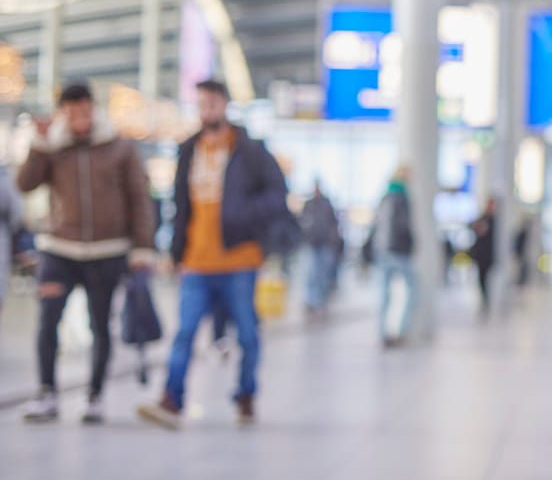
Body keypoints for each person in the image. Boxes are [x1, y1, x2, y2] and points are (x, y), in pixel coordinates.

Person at [139, 79, 288, 429]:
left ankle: (246, 396)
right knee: (185, 332)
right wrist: (175, 252)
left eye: (212, 104)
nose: (206, 111)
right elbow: (180, 206)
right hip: (196, 260)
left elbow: (277, 196)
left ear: (224, 105)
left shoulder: (249, 150)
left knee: (247, 333)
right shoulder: (188, 150)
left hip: (240, 259)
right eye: (201, 104)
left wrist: (243, 215)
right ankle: (171, 399)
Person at [16, 82, 155, 424]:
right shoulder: (53, 145)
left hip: (107, 251)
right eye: (72, 112)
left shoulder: (119, 146)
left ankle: (95, 395)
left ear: (93, 108)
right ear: (63, 112)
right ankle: (47, 393)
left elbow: (139, 198)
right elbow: (25, 184)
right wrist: (39, 143)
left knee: (100, 324)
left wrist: (142, 247)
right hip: (58, 249)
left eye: (84, 110)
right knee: (48, 320)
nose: (79, 118)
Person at [371, 168, 418, 348]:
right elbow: (403, 226)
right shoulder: (402, 198)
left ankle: (383, 333)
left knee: (384, 294)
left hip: (382, 251)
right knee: (413, 289)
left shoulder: (384, 197)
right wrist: (412, 245)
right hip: (398, 251)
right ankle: (402, 331)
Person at [298, 182, 343, 317]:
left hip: (325, 244)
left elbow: (333, 224)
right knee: (311, 275)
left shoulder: (326, 204)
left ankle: (321, 302)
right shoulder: (309, 204)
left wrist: (333, 241)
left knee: (322, 275)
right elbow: (302, 223)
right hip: (312, 244)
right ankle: (311, 302)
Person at [468, 197, 498, 317]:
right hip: (481, 256)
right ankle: (485, 301)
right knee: (481, 279)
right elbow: (471, 226)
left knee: (490, 280)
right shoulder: (482, 219)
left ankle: (490, 301)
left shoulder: (496, 221)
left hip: (490, 256)